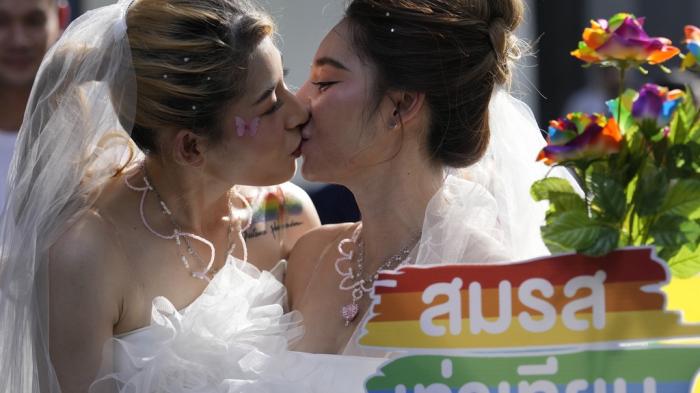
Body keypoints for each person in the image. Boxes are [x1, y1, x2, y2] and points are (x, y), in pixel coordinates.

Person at [0, 0, 322, 391]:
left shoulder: (287, 214)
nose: (299, 110)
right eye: (270, 103)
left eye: (284, 81)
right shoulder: (87, 253)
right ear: (190, 148)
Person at [286, 0, 564, 356]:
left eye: (324, 82)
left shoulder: (488, 284)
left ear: (401, 104)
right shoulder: (308, 257)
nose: (298, 102)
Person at [0, 0, 69, 209]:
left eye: (33, 21)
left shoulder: (92, 140)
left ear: (60, 18)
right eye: (1, 22)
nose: (18, 41)